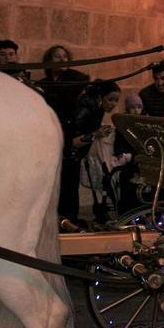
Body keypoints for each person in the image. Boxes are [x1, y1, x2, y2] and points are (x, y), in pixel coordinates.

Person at [60, 80, 121, 227]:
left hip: (74, 156)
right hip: (67, 155)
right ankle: (67, 222)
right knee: (68, 191)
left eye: (116, 101)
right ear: (101, 97)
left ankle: (70, 221)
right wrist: (96, 134)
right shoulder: (86, 109)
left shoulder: (96, 108)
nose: (113, 104)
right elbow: (72, 140)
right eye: (110, 99)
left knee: (71, 190)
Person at [37, 45, 89, 130]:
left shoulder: (77, 79)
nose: (62, 59)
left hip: (71, 127)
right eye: (57, 57)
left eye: (65, 56)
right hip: (48, 126)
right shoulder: (42, 83)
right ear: (49, 61)